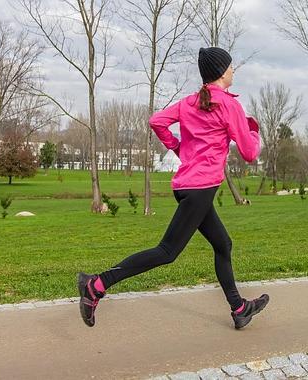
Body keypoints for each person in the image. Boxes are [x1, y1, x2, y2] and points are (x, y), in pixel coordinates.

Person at [77, 47, 269, 330]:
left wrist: (179, 148)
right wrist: (253, 130)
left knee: (223, 244)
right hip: (200, 189)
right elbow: (250, 153)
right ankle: (97, 285)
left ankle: (239, 308)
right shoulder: (229, 106)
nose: (233, 70)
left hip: (187, 187)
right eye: (231, 66)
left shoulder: (191, 101)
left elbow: (157, 122)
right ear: (221, 72)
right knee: (167, 252)